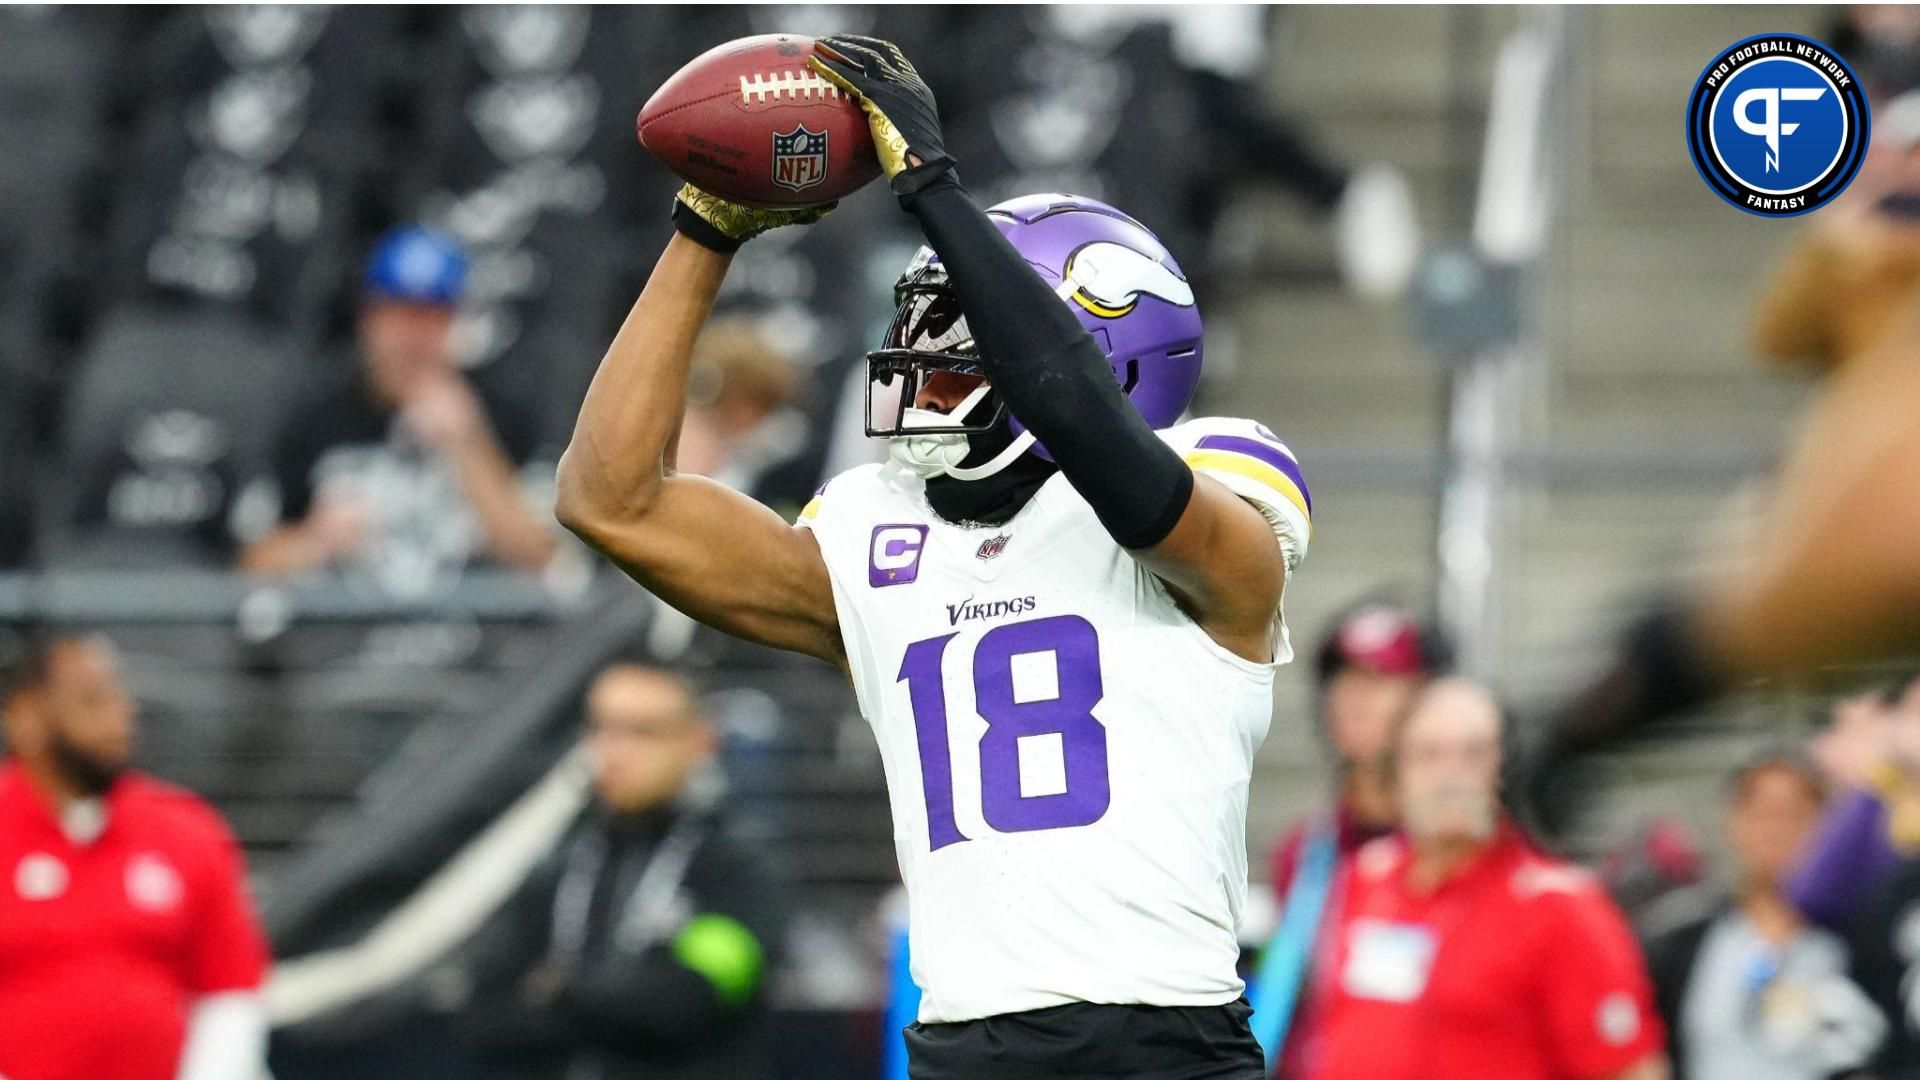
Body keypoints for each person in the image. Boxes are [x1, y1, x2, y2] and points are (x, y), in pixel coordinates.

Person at [555, 34, 1311, 1080]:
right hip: (961, 1044)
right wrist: (707, 227)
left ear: (1105, 352)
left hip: (1160, 1042)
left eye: (958, 332)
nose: (920, 359)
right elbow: (611, 499)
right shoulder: (878, 530)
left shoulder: (1218, 486)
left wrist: (937, 191)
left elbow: (1105, 452)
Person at [438, 662, 785, 1080]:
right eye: (602, 728)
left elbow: (687, 1005)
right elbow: (484, 1014)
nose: (616, 751)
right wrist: (611, 1005)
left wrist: (557, 991)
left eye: (644, 732)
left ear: (700, 741)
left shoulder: (737, 867)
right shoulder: (552, 859)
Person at [1315, 678, 1667, 1080]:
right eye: (1430, 754)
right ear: (1398, 769)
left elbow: (1629, 1070)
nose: (1452, 775)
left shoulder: (1562, 906)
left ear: (1506, 768)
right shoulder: (1365, 877)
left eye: (1474, 754)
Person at [0, 632, 271, 1080]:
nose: (120, 715)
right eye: (91, 700)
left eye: (119, 695)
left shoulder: (185, 827)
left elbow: (231, 990)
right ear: (26, 717)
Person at [239, 225, 557, 582]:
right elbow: (249, 564)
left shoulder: (505, 415)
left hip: (472, 632)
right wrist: (315, 540)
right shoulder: (316, 420)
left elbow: (550, 564)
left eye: (430, 316)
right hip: (347, 630)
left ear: (456, 322)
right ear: (368, 317)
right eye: (398, 313)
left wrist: (469, 445)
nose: (412, 337)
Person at [1256, 602, 1441, 1075]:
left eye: (1379, 680)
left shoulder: (1454, 852)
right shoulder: (1304, 853)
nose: (1352, 697)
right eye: (1341, 678)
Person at [1645, 752, 1882, 1080]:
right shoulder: (1679, 941)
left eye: (1794, 815)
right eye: (1761, 814)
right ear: (1732, 821)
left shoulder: (1863, 939)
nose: (1776, 832)